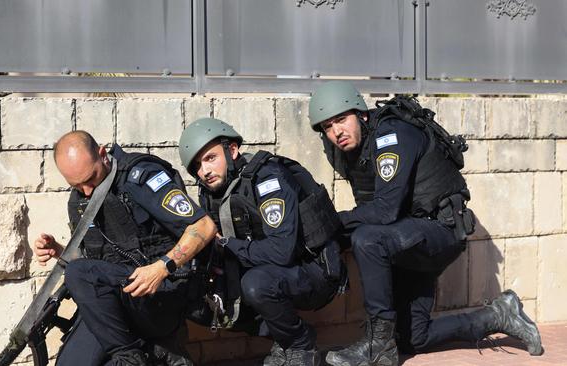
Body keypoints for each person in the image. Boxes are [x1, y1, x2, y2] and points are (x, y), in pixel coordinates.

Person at [307, 81, 542, 366]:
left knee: (367, 238)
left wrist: (329, 224)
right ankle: (498, 315)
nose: (336, 132)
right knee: (413, 338)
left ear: (362, 114)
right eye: (328, 127)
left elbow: (382, 212)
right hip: (408, 236)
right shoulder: (355, 149)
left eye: (341, 120)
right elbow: (370, 210)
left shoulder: (391, 135)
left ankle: (378, 344)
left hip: (438, 232)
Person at [34, 130, 217, 366]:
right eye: (77, 185)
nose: (87, 190)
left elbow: (204, 226)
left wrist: (161, 267)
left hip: (160, 295)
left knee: (79, 272)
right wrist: (59, 251)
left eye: (90, 178)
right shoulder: (79, 199)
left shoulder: (141, 177)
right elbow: (94, 264)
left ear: (102, 154)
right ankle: (150, 355)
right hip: (118, 303)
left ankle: (131, 357)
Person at [178, 118, 346, 366]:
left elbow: (281, 252)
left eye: (210, 158)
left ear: (232, 150)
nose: (204, 171)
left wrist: (226, 245)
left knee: (255, 284)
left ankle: (300, 343)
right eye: (197, 167)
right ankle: (283, 338)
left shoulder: (268, 178)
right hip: (268, 269)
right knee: (191, 290)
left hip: (314, 272)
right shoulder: (214, 191)